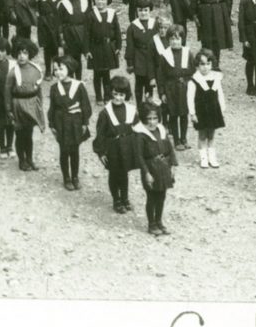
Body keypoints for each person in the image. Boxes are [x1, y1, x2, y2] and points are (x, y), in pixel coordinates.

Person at [93, 76, 140, 213]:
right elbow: (100, 133)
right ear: (110, 93)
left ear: (126, 95)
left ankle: (125, 198)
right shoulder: (105, 113)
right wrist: (101, 152)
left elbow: (137, 129)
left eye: (121, 94)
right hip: (113, 147)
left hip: (127, 146)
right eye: (115, 94)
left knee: (124, 173)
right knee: (114, 174)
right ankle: (116, 199)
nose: (118, 98)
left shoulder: (131, 110)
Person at [48, 55, 93, 190]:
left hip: (75, 122)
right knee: (64, 150)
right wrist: (52, 124)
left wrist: (84, 122)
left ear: (69, 68)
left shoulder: (78, 86)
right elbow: (52, 107)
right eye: (55, 70)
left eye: (61, 69)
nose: (58, 72)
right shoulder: (55, 88)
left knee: (74, 150)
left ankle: (75, 176)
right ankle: (66, 177)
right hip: (61, 121)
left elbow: (86, 106)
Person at [135, 102, 178, 236]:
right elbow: (139, 156)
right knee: (152, 196)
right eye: (149, 119)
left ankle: (159, 221)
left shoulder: (161, 129)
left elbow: (170, 149)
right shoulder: (140, 134)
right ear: (144, 118)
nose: (152, 122)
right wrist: (146, 173)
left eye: (155, 118)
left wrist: (173, 166)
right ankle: (151, 223)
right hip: (151, 167)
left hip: (164, 166)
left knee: (162, 195)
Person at [6, 38, 46, 171]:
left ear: (30, 54)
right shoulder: (13, 72)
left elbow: (39, 88)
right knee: (20, 133)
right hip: (18, 105)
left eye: (25, 53)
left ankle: (30, 159)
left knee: (28, 134)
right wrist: (9, 109)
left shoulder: (36, 69)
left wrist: (39, 105)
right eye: (19, 53)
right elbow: (7, 92)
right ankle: (21, 160)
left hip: (31, 104)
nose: (21, 56)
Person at [188, 49, 227, 169]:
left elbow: (220, 94)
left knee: (211, 135)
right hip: (201, 111)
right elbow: (190, 97)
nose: (205, 67)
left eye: (208, 64)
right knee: (202, 135)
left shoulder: (216, 78)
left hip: (213, 110)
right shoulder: (194, 79)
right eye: (202, 64)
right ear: (198, 65)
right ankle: (203, 158)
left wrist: (222, 109)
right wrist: (192, 113)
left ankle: (212, 157)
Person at [157, 25, 194, 150]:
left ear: (182, 40)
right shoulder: (165, 55)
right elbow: (160, 76)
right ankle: (177, 140)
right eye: (172, 39)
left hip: (185, 88)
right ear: (168, 40)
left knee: (184, 114)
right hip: (171, 88)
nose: (175, 42)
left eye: (177, 39)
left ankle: (184, 138)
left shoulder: (187, 53)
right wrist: (162, 93)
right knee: (173, 114)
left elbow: (193, 72)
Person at [87, 0, 122, 105]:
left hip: (108, 47)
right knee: (97, 73)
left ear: (108, 1)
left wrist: (118, 46)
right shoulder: (91, 15)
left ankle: (107, 95)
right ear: (94, 1)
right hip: (95, 47)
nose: (100, 2)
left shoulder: (112, 14)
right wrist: (87, 50)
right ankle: (98, 96)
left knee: (106, 73)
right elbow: (86, 34)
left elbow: (117, 31)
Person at [125, 0, 161, 108]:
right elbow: (129, 46)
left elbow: (160, 42)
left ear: (150, 10)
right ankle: (139, 105)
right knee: (139, 83)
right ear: (136, 11)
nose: (143, 13)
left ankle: (149, 104)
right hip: (139, 58)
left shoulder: (155, 24)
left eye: (145, 10)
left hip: (152, 58)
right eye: (140, 10)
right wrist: (130, 63)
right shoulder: (132, 26)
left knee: (150, 82)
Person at [57, 0, 91, 81]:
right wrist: (61, 38)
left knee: (78, 58)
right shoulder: (63, 4)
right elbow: (59, 23)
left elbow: (88, 21)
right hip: (68, 33)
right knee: (69, 59)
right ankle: (70, 79)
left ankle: (79, 79)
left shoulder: (85, 2)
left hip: (81, 32)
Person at [35, 0, 65, 78]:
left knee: (56, 46)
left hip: (56, 22)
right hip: (44, 23)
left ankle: (55, 69)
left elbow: (63, 7)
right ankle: (48, 70)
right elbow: (33, 5)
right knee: (47, 47)